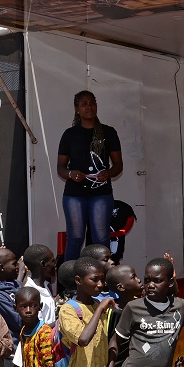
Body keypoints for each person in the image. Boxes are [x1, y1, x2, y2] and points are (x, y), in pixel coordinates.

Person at [57, 91, 124, 260]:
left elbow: (118, 165)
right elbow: (60, 168)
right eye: (84, 104)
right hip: (74, 194)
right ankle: (69, 283)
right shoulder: (69, 134)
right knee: (75, 237)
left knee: (101, 239)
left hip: (101, 193)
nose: (89, 107)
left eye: (92, 103)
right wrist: (71, 174)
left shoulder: (108, 133)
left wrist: (107, 173)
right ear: (77, 109)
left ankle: (102, 281)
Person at [22, 244, 57, 326]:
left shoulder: (45, 285)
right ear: (43, 264)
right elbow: (37, 329)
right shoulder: (29, 293)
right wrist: (61, 321)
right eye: (52, 261)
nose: (55, 264)